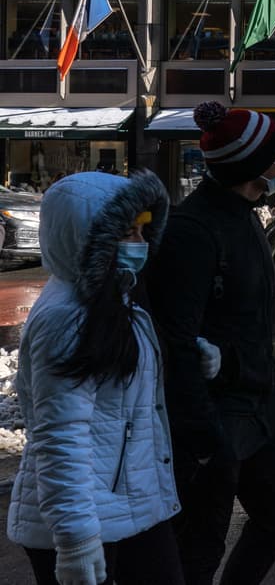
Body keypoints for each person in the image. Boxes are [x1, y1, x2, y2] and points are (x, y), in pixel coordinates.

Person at [6, 170, 193, 584]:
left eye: (143, 232)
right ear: (88, 239)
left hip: (129, 509)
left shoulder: (112, 299)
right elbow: (60, 437)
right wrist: (76, 538)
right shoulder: (67, 318)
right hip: (91, 522)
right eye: (127, 233)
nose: (141, 245)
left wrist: (195, 355)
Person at [148, 101, 275, 585]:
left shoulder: (247, 213)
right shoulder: (194, 232)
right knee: (199, 550)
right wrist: (202, 438)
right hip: (217, 420)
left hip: (258, 409)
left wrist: (270, 387)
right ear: (257, 167)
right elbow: (177, 340)